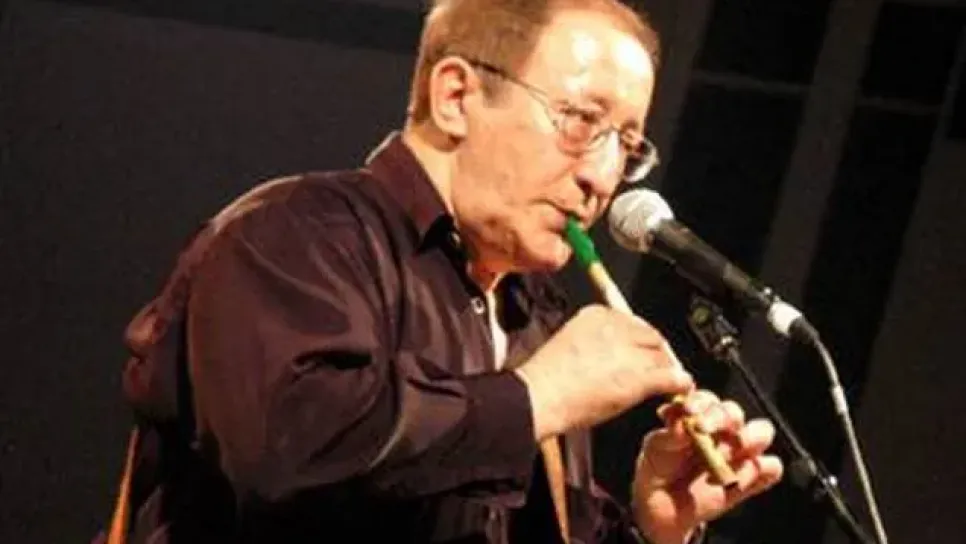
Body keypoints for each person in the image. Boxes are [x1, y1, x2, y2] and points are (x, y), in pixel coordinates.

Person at [99, 1, 783, 542]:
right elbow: (287, 450)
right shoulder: (297, 232)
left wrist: (655, 526)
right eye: (581, 121)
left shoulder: (534, 316)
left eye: (626, 146)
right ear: (456, 96)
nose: (602, 178)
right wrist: (535, 398)